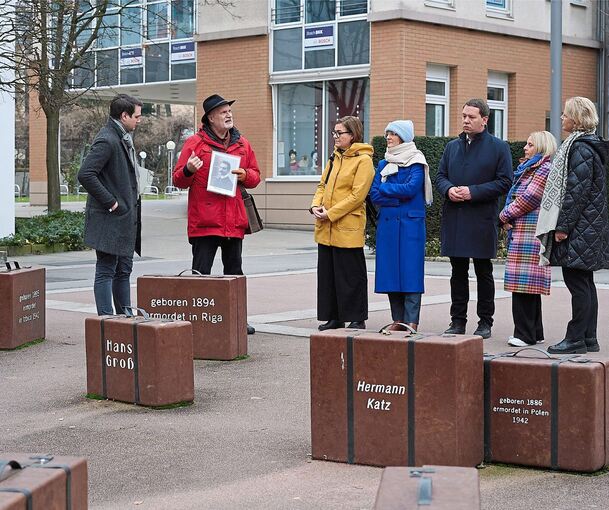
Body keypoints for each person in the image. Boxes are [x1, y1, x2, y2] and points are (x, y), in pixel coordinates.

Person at [173, 94, 261, 335]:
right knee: (201, 274)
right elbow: (178, 179)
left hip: (233, 220)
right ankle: (197, 323)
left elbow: (255, 175)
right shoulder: (195, 143)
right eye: (223, 112)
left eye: (229, 111)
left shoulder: (242, 143)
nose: (228, 114)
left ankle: (238, 321)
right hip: (205, 222)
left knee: (235, 274)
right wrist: (189, 169)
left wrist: (245, 175)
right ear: (210, 118)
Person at [435, 98, 513, 339]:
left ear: (485, 120)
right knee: (457, 273)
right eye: (464, 116)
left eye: (471, 117)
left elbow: (505, 181)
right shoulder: (452, 147)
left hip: (481, 217)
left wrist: (473, 192)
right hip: (456, 217)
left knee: (483, 271)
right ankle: (457, 321)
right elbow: (439, 176)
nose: (466, 121)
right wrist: (448, 189)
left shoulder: (499, 147)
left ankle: (485, 322)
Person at [537, 97, 609, 354]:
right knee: (585, 282)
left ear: (576, 119)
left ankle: (576, 338)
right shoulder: (588, 146)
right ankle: (589, 338)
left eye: (565, 114)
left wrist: (563, 227)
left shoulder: (579, 149)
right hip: (589, 226)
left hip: (580, 228)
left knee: (578, 283)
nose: (561, 118)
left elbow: (575, 193)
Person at [78, 94, 143, 316]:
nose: (139, 120)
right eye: (137, 116)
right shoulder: (108, 139)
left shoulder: (121, 136)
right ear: (124, 116)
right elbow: (86, 174)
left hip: (124, 219)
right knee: (106, 270)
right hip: (111, 218)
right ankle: (106, 321)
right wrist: (112, 203)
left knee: (124, 270)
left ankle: (126, 318)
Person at [310, 115, 375, 330]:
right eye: (335, 132)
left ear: (353, 134)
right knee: (328, 275)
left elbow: (357, 196)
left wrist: (331, 213)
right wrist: (315, 206)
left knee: (351, 275)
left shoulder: (363, 160)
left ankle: (357, 318)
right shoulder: (334, 157)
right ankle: (334, 317)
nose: (336, 137)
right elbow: (322, 185)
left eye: (340, 133)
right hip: (326, 227)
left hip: (346, 226)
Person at [370, 120, 432, 333]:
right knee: (390, 272)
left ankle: (411, 321)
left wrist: (388, 190)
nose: (388, 137)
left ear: (404, 137)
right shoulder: (382, 164)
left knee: (410, 271)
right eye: (387, 133)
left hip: (410, 225)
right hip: (388, 226)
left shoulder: (417, 161)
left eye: (393, 133)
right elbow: (374, 193)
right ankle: (397, 319)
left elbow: (412, 188)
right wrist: (396, 198)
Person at [499, 131, 556, 347]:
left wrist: (504, 215)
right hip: (527, 232)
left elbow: (528, 198)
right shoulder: (534, 168)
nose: (525, 147)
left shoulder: (542, 169)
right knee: (528, 285)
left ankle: (523, 334)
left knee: (523, 284)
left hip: (529, 233)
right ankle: (535, 332)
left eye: (530, 144)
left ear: (541, 148)